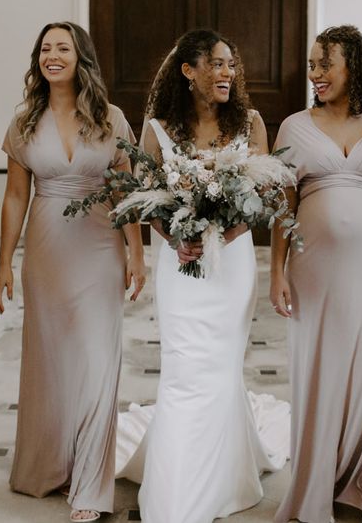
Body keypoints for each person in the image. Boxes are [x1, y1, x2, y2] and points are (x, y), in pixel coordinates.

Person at [119, 28, 289, 523]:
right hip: (181, 267)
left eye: (230, 65)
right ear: (188, 71)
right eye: (215, 64)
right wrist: (174, 237)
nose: (226, 73)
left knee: (220, 368)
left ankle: (224, 478)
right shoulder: (157, 129)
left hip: (231, 267)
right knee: (184, 370)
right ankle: (177, 495)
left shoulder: (251, 123)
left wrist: (233, 228)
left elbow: (266, 199)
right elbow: (143, 201)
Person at [0, 21, 145, 523]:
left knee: (98, 361)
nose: (51, 55)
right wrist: (3, 262)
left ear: (81, 57)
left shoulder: (112, 118)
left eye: (62, 47)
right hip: (45, 247)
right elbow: (16, 196)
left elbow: (124, 190)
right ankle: (52, 466)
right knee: (52, 361)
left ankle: (91, 488)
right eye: (44, 48)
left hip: (100, 245)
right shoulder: (24, 121)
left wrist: (137, 253)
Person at [270, 25, 362, 523]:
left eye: (324, 64)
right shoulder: (294, 126)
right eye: (311, 65)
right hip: (313, 268)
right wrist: (277, 271)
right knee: (322, 372)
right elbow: (283, 204)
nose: (315, 74)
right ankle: (317, 483)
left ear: (352, 65)